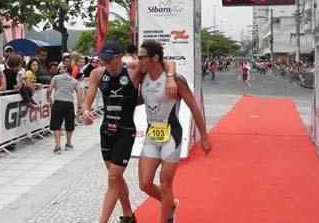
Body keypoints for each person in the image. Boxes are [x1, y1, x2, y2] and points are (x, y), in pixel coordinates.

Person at [82, 40, 177, 223]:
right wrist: (86, 110)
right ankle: (128, 215)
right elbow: (87, 100)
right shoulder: (97, 74)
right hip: (106, 131)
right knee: (115, 178)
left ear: (119, 57)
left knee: (114, 176)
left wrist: (171, 77)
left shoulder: (133, 69)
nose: (106, 64)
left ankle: (103, 221)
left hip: (125, 131)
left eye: (110, 60)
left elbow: (166, 63)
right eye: (103, 60)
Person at [137, 40, 212, 223]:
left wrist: (204, 136)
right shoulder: (142, 76)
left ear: (155, 58)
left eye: (142, 57)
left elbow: (193, 106)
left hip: (171, 135)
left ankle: (166, 217)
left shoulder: (175, 80)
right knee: (145, 183)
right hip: (151, 133)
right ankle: (170, 203)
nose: (139, 60)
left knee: (165, 184)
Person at [47, 63, 83, 154]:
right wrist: (79, 106)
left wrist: (48, 97)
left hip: (58, 102)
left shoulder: (56, 78)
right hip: (69, 103)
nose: (59, 70)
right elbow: (79, 93)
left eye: (60, 68)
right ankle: (68, 143)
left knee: (56, 125)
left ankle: (58, 146)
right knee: (69, 124)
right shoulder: (74, 81)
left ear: (65, 69)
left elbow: (49, 90)